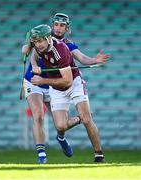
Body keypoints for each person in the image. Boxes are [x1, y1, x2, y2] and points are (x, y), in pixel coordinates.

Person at [22, 13, 110, 164]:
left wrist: (94, 60)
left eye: (62, 25)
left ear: (67, 28)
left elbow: (81, 60)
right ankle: (49, 147)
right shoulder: (40, 38)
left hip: (61, 81)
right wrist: (28, 50)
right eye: (56, 24)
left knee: (86, 119)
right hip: (42, 82)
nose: (58, 28)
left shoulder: (66, 45)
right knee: (51, 121)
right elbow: (31, 51)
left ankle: (99, 155)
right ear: (51, 26)